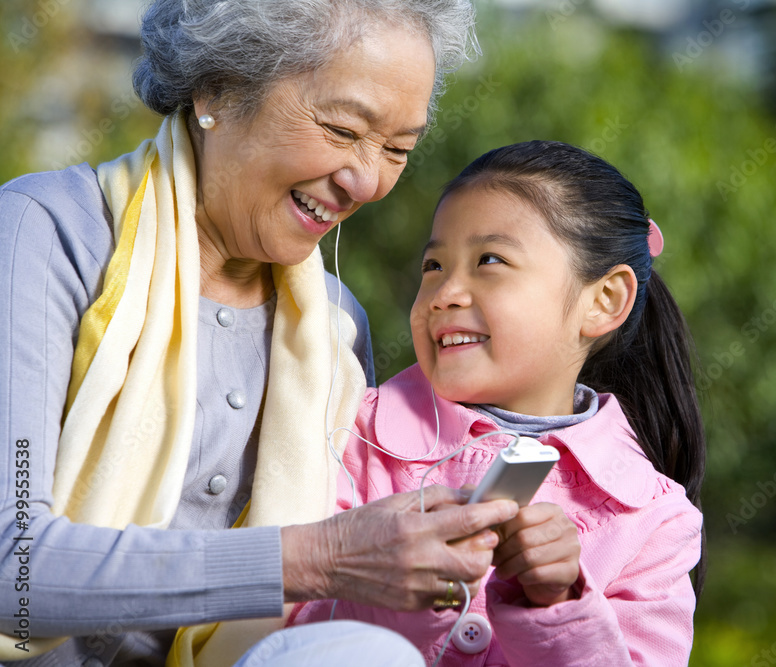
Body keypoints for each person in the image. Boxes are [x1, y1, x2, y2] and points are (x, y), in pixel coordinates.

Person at [0, 1, 520, 665]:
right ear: (218, 90)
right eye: (340, 129)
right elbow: (12, 567)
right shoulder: (43, 233)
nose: (365, 179)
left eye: (396, 149)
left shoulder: (332, 326)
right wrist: (320, 555)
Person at [287, 141, 707, 665]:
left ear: (604, 301)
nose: (444, 293)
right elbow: (288, 634)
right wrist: (418, 588)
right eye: (433, 265)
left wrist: (558, 603)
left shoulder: (653, 519)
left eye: (490, 260)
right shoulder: (349, 433)